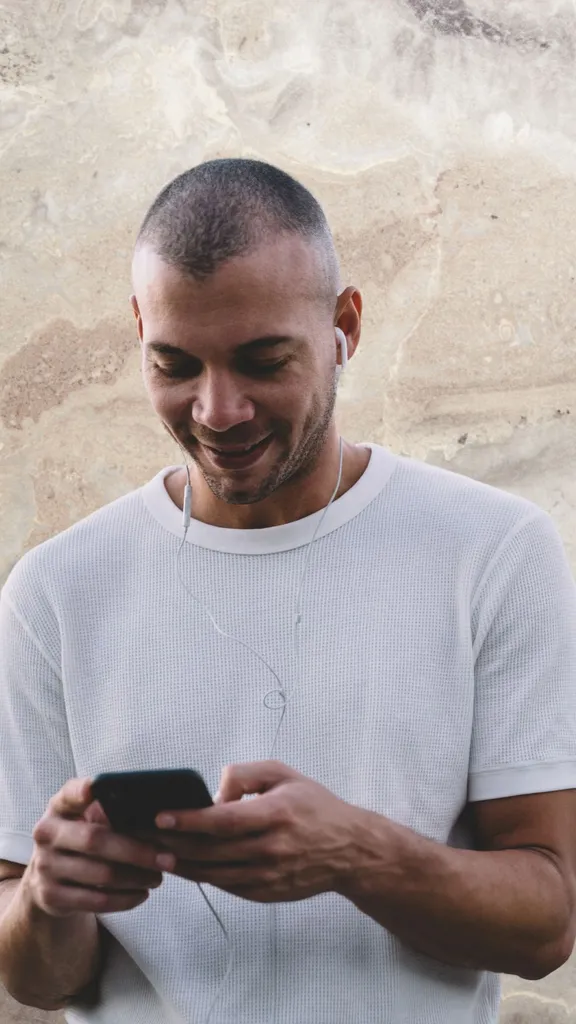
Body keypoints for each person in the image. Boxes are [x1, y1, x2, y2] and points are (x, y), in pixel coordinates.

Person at [0, 158, 575, 1024]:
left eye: (264, 361)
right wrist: (50, 898)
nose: (216, 410)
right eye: (175, 364)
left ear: (345, 325)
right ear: (138, 330)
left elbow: (545, 926)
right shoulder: (56, 590)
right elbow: (38, 981)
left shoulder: (492, 551)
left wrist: (357, 853)